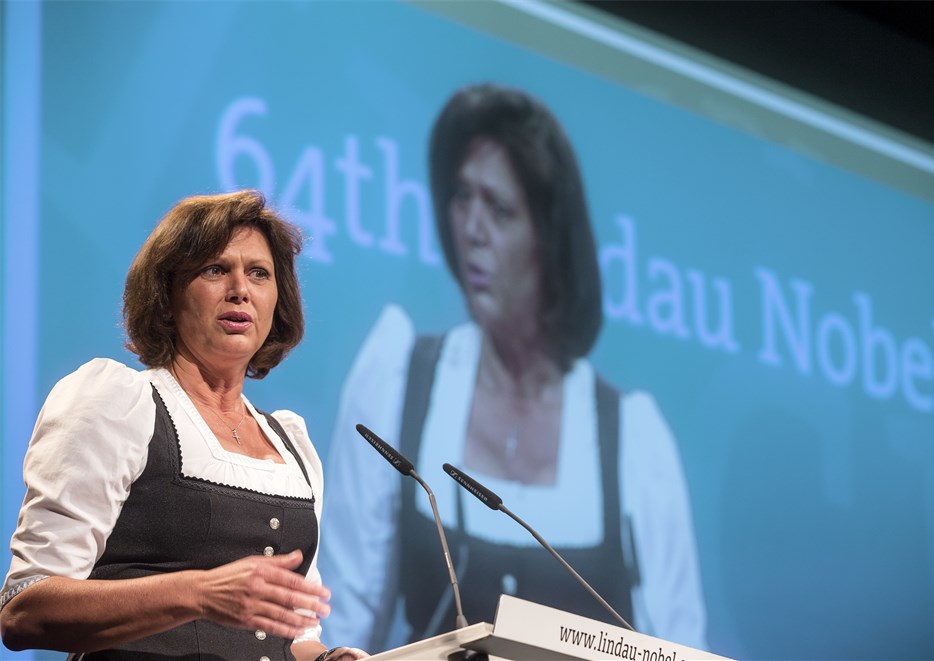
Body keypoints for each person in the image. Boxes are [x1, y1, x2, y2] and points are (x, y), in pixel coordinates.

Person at [320, 83, 707, 652]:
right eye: (461, 197)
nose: (470, 228)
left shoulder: (634, 442)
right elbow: (343, 632)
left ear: (549, 242)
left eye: (499, 209)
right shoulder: (399, 383)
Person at [0, 190, 367, 661]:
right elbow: (24, 611)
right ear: (167, 297)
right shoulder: (118, 404)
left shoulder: (291, 444)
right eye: (215, 269)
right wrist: (198, 594)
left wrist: (325, 657)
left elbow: (293, 634)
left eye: (259, 273)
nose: (241, 289)